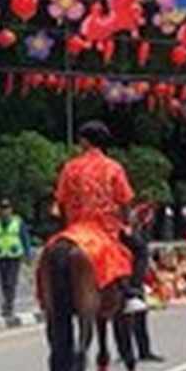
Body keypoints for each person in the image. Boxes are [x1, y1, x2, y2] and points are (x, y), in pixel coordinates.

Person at [53, 121, 148, 314]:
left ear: (85, 141)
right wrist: (126, 223)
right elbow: (125, 200)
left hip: (75, 230)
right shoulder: (113, 168)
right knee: (140, 250)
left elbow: (61, 201)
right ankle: (132, 294)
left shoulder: (70, 167)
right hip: (106, 230)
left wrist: (65, 227)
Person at [0, 198, 32, 317]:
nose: (5, 211)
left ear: (11, 210)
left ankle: (8, 305)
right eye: (3, 209)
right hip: (1, 256)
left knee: (10, 282)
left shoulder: (18, 222)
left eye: (7, 208)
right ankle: (7, 302)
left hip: (14, 256)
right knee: (3, 282)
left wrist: (28, 254)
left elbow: (25, 238)